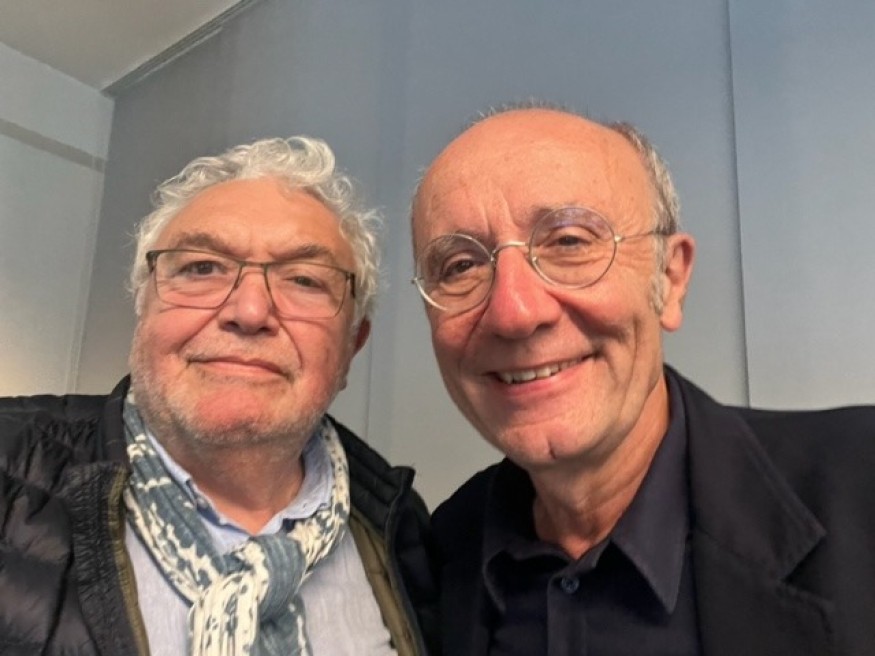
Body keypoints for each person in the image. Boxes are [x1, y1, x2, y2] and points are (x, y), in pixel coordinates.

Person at [410, 107, 875, 655]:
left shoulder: (860, 484)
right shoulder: (439, 553)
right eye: (460, 266)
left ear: (670, 278)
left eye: (569, 242)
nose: (514, 312)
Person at [0, 136, 436, 655]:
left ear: (352, 345)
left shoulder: (406, 533)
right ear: (144, 306)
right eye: (202, 268)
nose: (249, 312)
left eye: (304, 280)